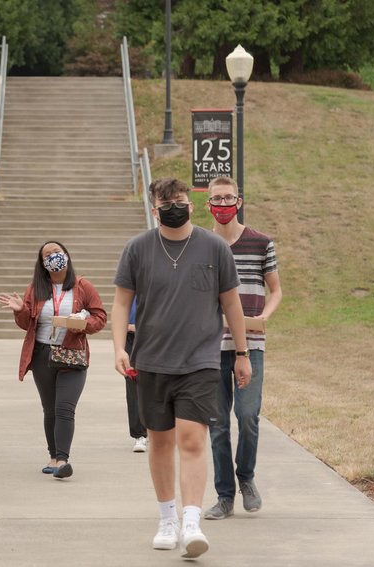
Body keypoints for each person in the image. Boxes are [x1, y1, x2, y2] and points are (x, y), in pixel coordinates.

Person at [111, 177, 252, 559]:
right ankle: (167, 518)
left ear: (191, 204)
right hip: (152, 359)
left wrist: (242, 354)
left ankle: (192, 521)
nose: (175, 205)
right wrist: (119, 348)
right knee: (159, 440)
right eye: (166, 201)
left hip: (200, 361)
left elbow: (232, 305)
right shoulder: (138, 249)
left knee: (192, 439)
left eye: (180, 200)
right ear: (154, 208)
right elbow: (121, 302)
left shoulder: (214, 247)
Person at [203, 176, 283, 520]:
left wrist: (264, 315)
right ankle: (224, 496)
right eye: (216, 199)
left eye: (228, 198)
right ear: (208, 204)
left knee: (247, 416)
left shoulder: (261, 243)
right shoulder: (200, 245)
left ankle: (246, 477)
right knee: (217, 423)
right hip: (209, 348)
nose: (222, 204)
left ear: (239, 200)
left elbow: (276, 289)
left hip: (251, 344)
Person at [0, 241, 107, 479]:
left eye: (57, 252)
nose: (53, 257)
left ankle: (62, 459)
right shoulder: (35, 289)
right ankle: (52, 455)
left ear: (66, 255)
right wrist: (20, 310)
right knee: (50, 409)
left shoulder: (82, 286)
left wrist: (81, 324)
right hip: (43, 355)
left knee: (65, 408)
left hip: (72, 353)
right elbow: (27, 324)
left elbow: (100, 317)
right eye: (47, 255)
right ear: (42, 263)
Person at [124, 297, 148, 453]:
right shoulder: (130, 275)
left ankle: (160, 427)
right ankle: (139, 434)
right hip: (131, 336)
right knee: (133, 383)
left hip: (157, 335)